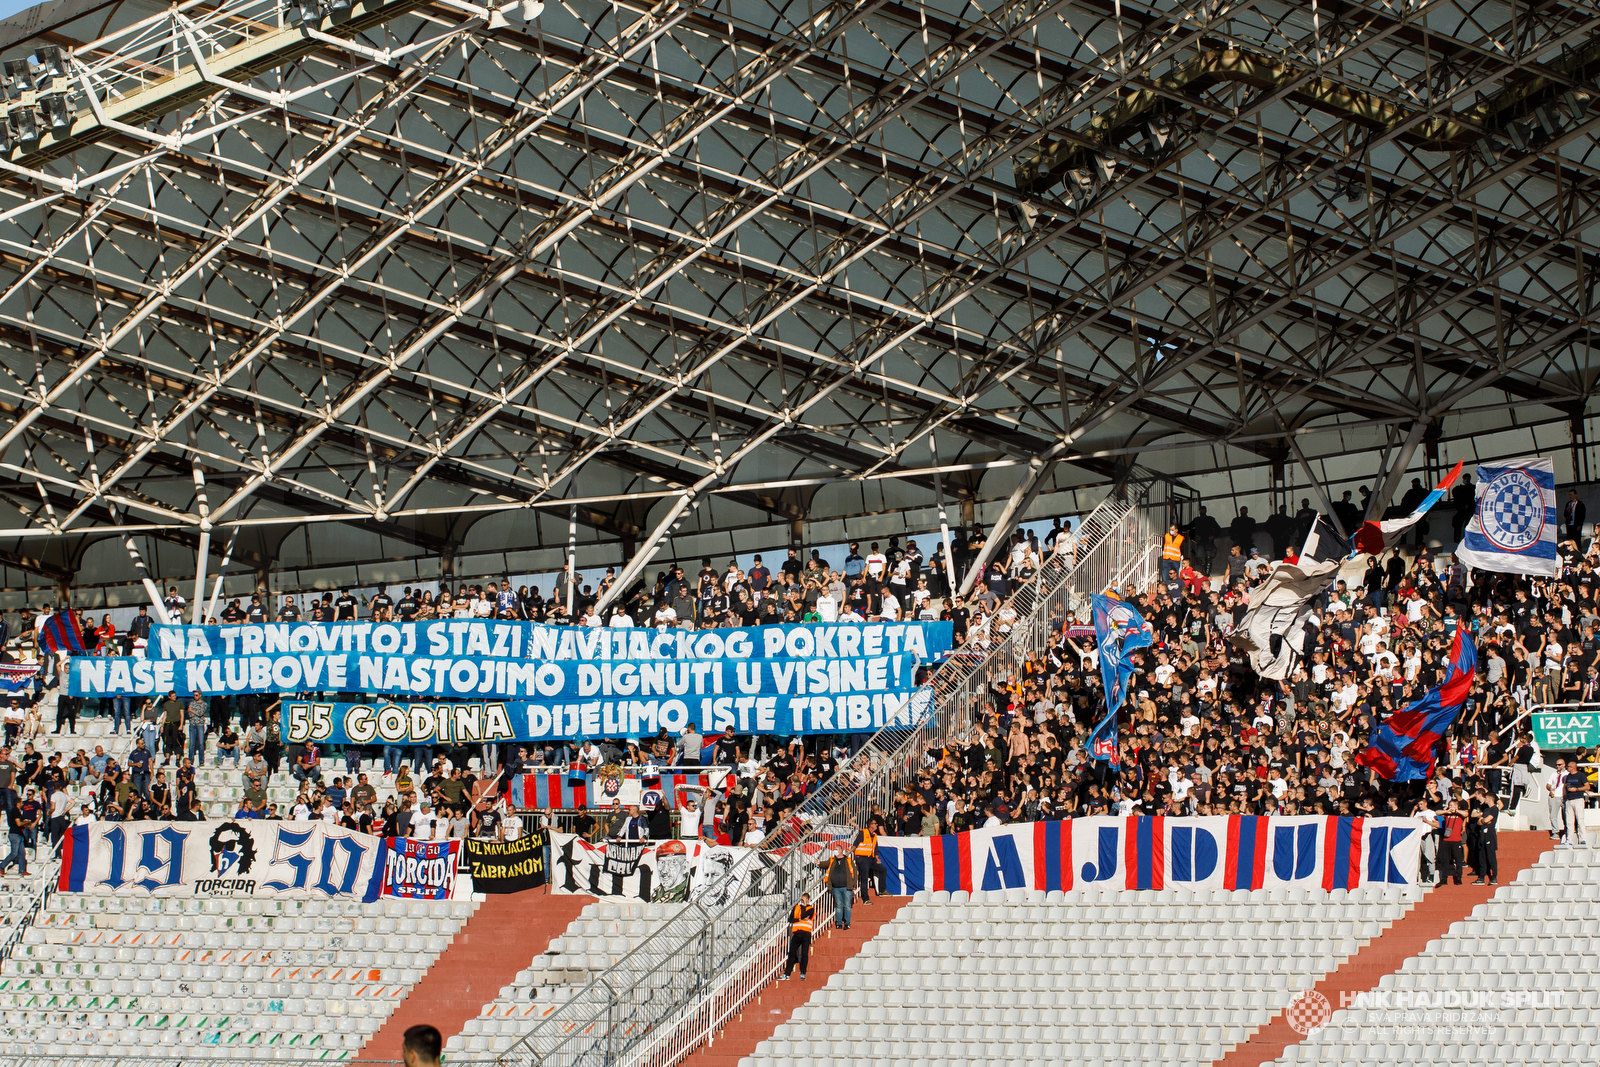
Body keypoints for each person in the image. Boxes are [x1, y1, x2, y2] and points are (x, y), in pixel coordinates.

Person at [778, 892, 814, 981]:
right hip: (797, 933)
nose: (802, 901)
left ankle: (803, 973)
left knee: (804, 953)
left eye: (804, 899)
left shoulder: (811, 908)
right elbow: (791, 919)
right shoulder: (796, 907)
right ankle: (787, 974)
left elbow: (805, 915)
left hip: (806, 933)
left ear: (808, 900)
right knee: (792, 953)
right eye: (801, 899)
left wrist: (805, 906)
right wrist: (799, 919)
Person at [824, 844, 856, 931]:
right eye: (834, 849)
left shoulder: (848, 860)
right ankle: (838, 923)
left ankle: (847, 923)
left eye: (837, 849)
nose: (835, 851)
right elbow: (825, 864)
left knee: (847, 905)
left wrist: (853, 885)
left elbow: (854, 872)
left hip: (846, 887)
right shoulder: (832, 860)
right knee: (838, 905)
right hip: (836, 887)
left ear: (841, 850)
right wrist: (819, 863)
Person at [852, 818, 878, 905]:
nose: (876, 825)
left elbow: (875, 848)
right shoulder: (863, 832)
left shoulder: (875, 835)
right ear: (871, 825)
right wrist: (851, 849)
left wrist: (877, 858)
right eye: (875, 823)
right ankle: (865, 899)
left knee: (882, 869)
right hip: (862, 858)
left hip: (871, 858)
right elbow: (856, 843)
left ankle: (882, 890)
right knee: (864, 878)